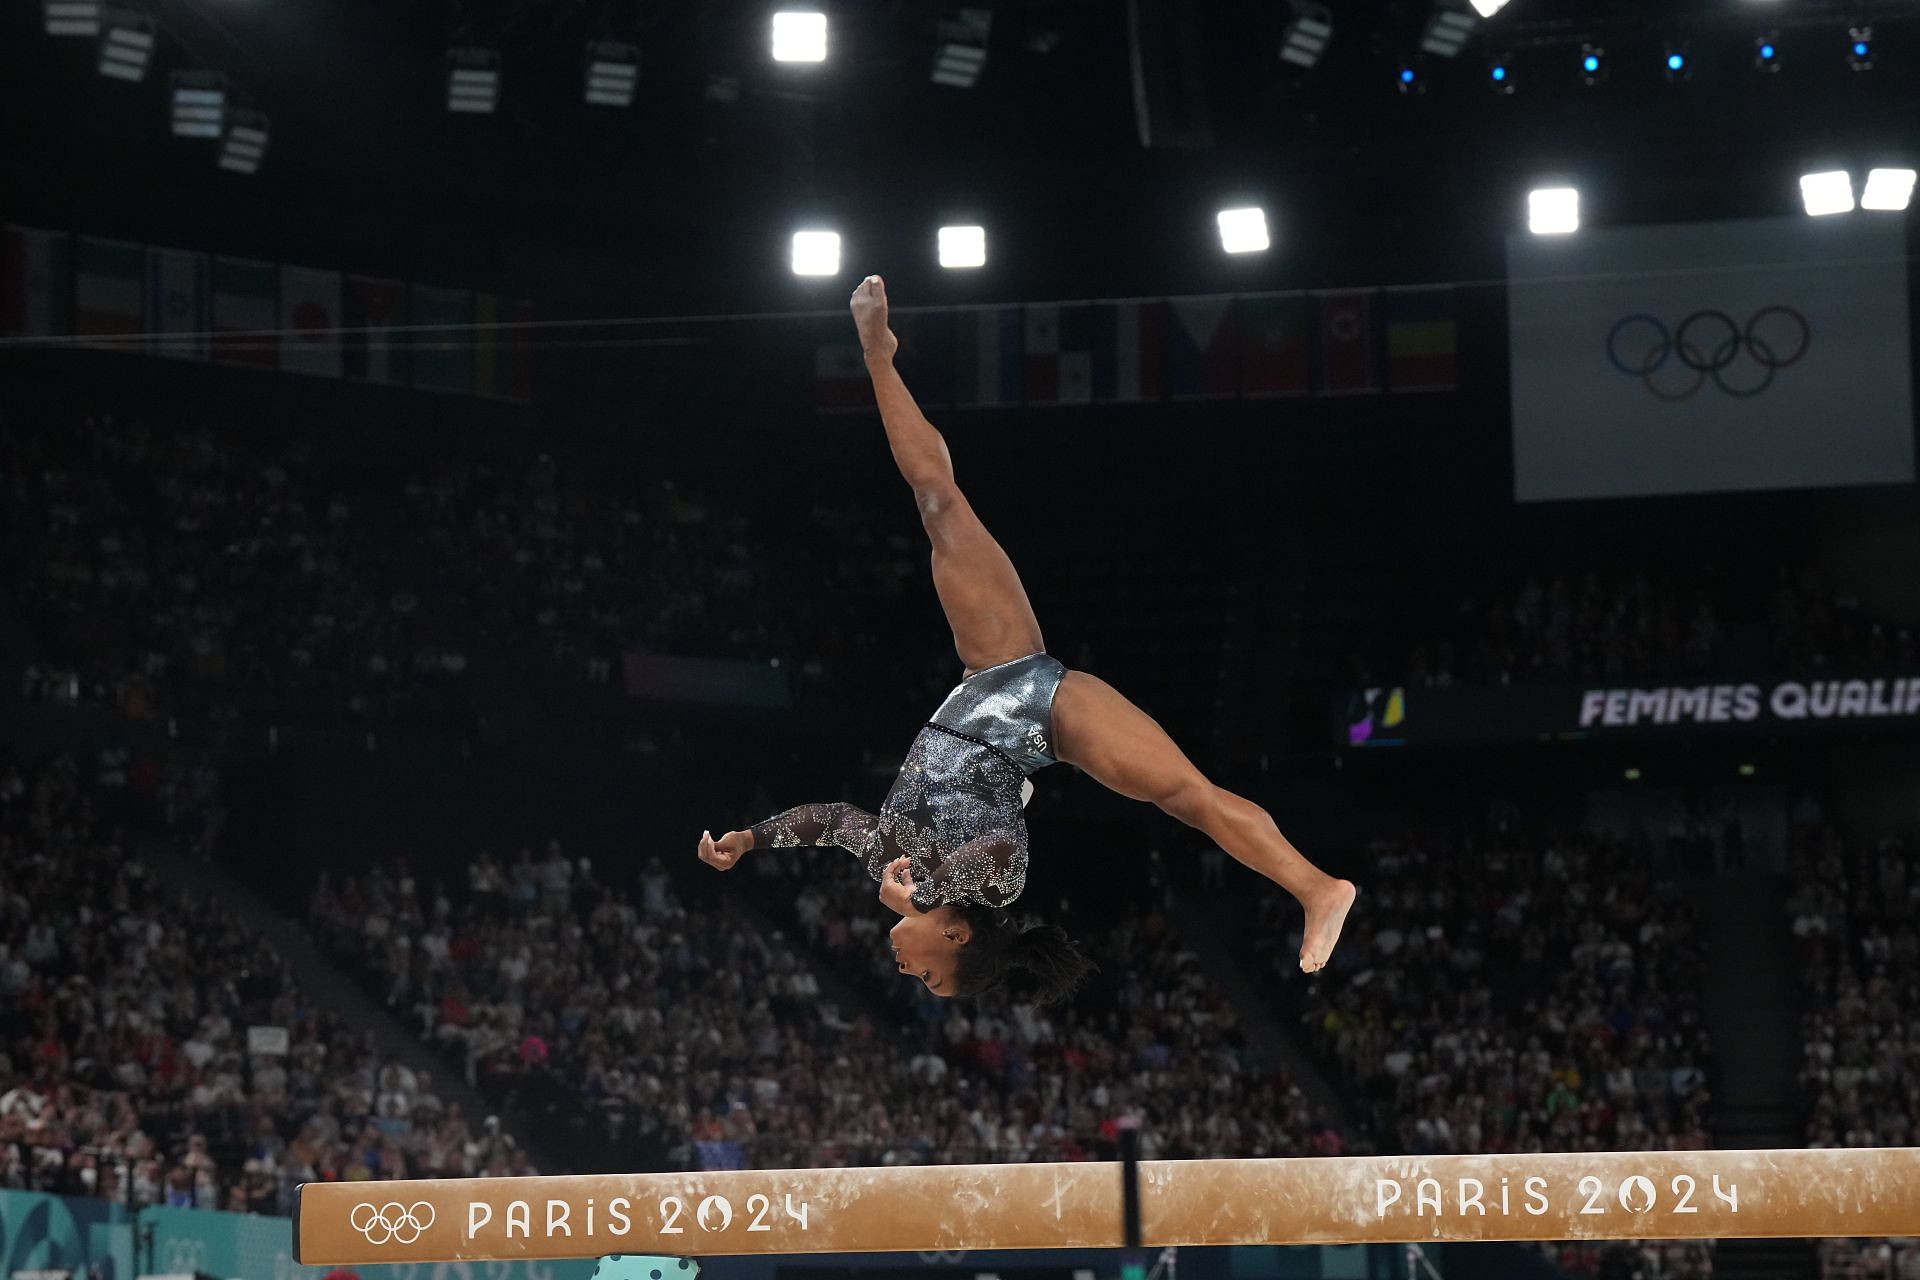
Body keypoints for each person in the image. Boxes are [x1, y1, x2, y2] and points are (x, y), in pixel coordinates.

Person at [700, 275, 1355, 1005]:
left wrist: (749, 840)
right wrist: (924, 896)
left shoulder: (889, 862)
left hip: (987, 673)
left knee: (940, 502)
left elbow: (832, 821)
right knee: (1186, 796)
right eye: (927, 974)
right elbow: (992, 847)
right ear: (956, 938)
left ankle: (878, 355)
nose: (904, 970)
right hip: (1043, 715)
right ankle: (1318, 888)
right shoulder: (995, 886)